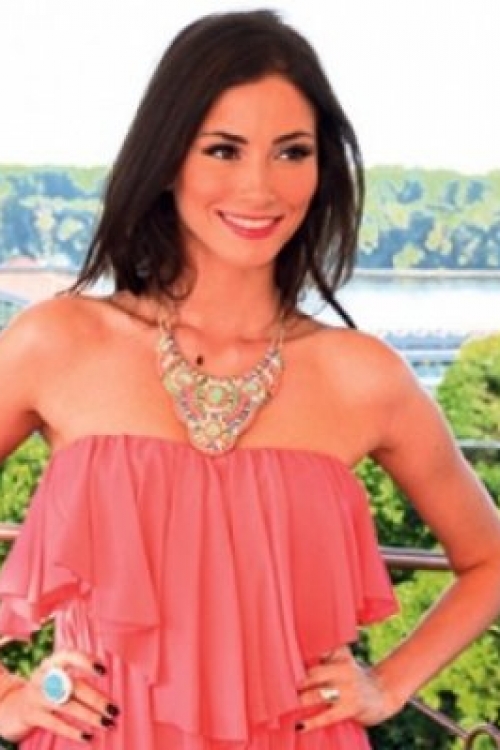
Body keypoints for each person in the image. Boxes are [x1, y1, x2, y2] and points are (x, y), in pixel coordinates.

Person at [0, 8, 499, 750]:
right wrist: (9, 696)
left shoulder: (363, 376)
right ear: (168, 158)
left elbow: (489, 559)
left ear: (322, 169)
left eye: (292, 151)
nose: (260, 187)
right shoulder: (59, 342)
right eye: (224, 149)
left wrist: (389, 684)